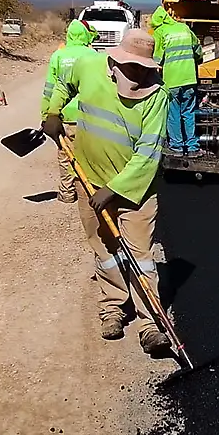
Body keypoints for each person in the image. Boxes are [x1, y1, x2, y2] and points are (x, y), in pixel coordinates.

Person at [42, 28, 172, 354]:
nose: (140, 75)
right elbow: (63, 83)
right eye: (133, 67)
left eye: (145, 68)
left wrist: (112, 191)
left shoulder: (157, 98)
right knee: (105, 251)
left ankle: (151, 325)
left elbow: (148, 153)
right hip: (89, 179)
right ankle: (113, 307)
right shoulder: (89, 68)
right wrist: (54, 112)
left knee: (141, 257)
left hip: (135, 191)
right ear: (116, 61)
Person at [40, 19, 99, 203]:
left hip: (65, 115)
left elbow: (50, 88)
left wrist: (47, 115)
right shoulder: (93, 55)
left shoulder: (58, 56)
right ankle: (89, 189)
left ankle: (67, 192)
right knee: (88, 154)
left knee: (65, 154)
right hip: (88, 115)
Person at [150, 7, 203, 157]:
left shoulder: (160, 32)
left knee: (173, 114)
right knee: (189, 113)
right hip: (190, 79)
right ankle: (192, 147)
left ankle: (177, 147)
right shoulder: (184, 28)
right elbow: (198, 50)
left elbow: (157, 59)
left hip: (172, 81)